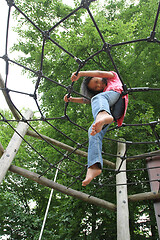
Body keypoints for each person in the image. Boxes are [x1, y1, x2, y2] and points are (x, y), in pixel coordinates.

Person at [64, 70, 128, 186]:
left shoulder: (113, 78)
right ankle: (94, 166)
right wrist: (72, 99)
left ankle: (102, 114)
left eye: (97, 81)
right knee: (93, 131)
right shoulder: (101, 95)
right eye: (95, 87)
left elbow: (99, 73)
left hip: (116, 97)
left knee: (97, 99)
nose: (98, 85)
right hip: (110, 111)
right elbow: (86, 100)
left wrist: (81, 74)